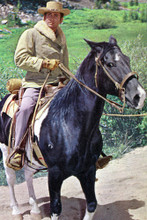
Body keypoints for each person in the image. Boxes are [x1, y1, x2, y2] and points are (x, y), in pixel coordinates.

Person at [7, 1, 70, 170]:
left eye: (55, 15)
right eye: (49, 14)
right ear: (44, 16)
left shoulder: (61, 37)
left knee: (81, 106)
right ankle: (18, 150)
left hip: (59, 85)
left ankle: (89, 153)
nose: (51, 18)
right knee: (26, 108)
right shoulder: (31, 34)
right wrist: (42, 63)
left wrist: (72, 82)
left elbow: (65, 65)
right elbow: (19, 59)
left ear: (61, 19)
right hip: (36, 84)